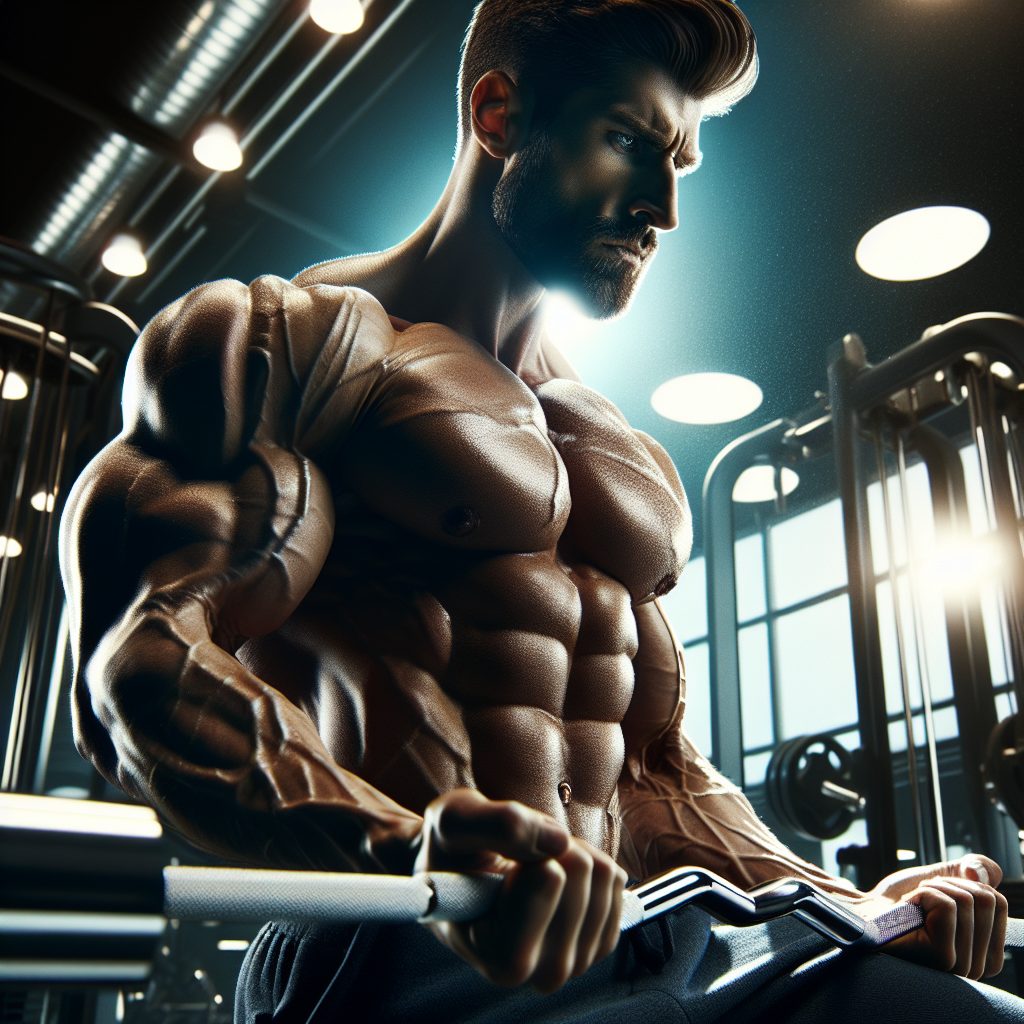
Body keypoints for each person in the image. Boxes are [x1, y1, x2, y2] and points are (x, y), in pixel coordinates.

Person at [60, 1, 1023, 1020]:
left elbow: (652, 770)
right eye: (627, 143)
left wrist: (849, 906)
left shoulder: (616, 449)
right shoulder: (291, 346)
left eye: (679, 165)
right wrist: (403, 850)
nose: (662, 207)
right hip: (398, 929)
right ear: (498, 116)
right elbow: (138, 658)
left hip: (644, 930)